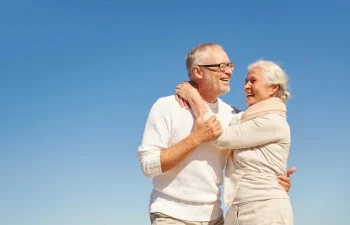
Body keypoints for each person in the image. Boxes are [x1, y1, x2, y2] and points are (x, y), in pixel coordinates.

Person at [137, 43, 295, 225]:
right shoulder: (167, 107)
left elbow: (255, 154)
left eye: (230, 65)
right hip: (172, 215)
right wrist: (195, 139)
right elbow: (148, 166)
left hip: (215, 218)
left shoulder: (234, 115)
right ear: (198, 72)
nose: (228, 72)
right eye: (221, 66)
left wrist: (276, 180)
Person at [175, 59, 294, 225]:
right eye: (246, 82)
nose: (246, 87)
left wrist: (194, 98)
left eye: (253, 81)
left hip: (265, 210)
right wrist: (199, 87)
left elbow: (218, 135)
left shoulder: (273, 121)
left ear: (273, 88)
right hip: (238, 211)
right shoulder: (243, 119)